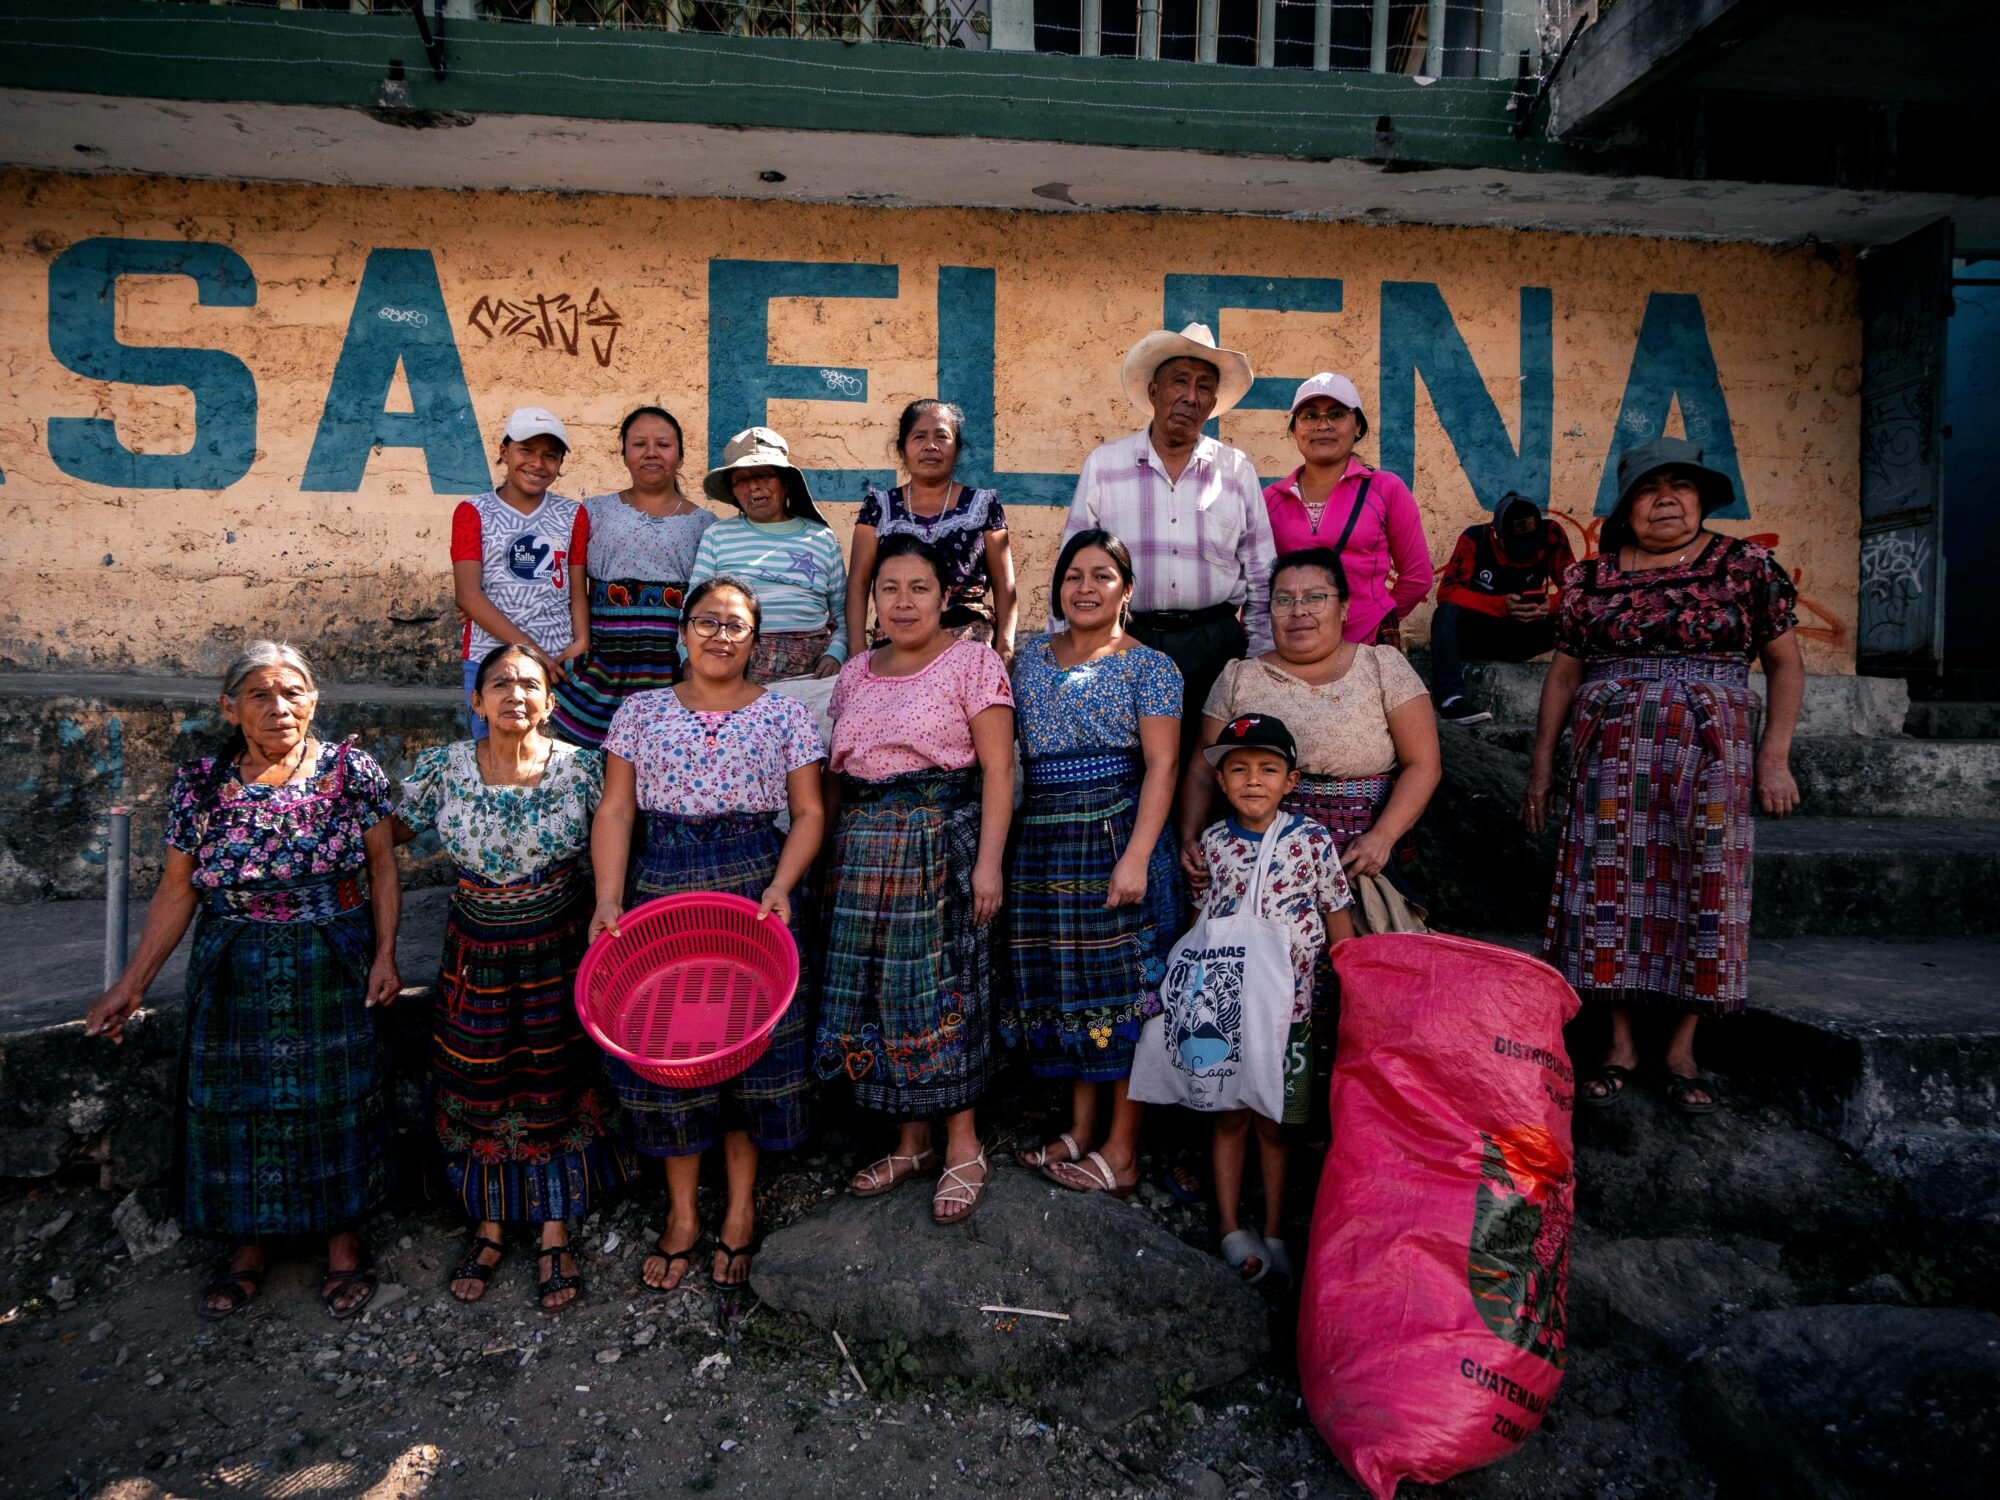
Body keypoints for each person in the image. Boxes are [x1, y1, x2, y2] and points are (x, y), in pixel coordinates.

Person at [84, 643, 399, 1321]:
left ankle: (343, 1242)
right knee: (237, 1104)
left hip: (332, 953)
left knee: (337, 1097)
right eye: (259, 694)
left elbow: (382, 869)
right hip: (234, 962)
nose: (279, 707)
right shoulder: (199, 784)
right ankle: (247, 1246)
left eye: (293, 692)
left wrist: (386, 954)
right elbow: (177, 888)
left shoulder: (353, 772)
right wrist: (132, 983)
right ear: (229, 708)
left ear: (314, 700)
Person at [1522, 437, 1803, 1116]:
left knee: (1703, 882)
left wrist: (1774, 757)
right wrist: (1540, 767)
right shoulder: (1590, 578)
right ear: (1628, 507)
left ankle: (1682, 1047)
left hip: (1709, 758)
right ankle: (1619, 1044)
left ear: (1703, 497)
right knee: (1605, 889)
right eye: (1649, 489)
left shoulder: (1747, 567)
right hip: (1609, 759)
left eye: (1681, 485)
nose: (1667, 499)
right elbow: (1564, 675)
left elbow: (1785, 664)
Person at [589, 576, 827, 1290]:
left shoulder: (784, 716)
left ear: (756, 640)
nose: (720, 636)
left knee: (747, 1049)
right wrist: (607, 900)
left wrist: (782, 885)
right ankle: (684, 1212)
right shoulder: (639, 712)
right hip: (661, 884)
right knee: (670, 1047)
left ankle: (741, 1212)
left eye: (735, 626)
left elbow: (810, 813)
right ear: (683, 631)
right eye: (707, 622)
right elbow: (617, 812)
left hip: (754, 887)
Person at [394, 644, 627, 1313]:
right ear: (477, 700)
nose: (515, 695)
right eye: (499, 683)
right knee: (478, 1074)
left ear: (551, 702)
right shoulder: (443, 770)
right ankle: (490, 1223)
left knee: (558, 1074)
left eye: (530, 684)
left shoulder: (584, 770)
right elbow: (383, 837)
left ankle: (555, 1226)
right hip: (475, 949)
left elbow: (617, 840)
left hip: (559, 944)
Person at [816, 536, 1015, 1225]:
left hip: (940, 845)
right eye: (889, 588)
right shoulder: (855, 674)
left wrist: (988, 862)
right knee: (884, 998)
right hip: (863, 855)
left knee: (942, 991)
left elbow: (998, 769)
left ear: (943, 597)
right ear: (873, 600)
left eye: (918, 588)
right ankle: (911, 1142)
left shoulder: (973, 661)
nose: (903, 602)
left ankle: (963, 1145)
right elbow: (837, 780)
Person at [1003, 529, 1184, 1198]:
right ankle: (1080, 1129)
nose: (1085, 587)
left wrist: (1136, 856)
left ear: (1126, 589)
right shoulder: (1027, 660)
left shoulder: (1150, 666)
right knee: (1069, 986)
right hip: (1045, 838)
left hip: (1114, 834)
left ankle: (1123, 1148)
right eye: (1073, 574)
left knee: (1123, 990)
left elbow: (1163, 766)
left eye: (1102, 575)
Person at [1182, 714, 1354, 1288]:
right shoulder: (1214, 843)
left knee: (1277, 1125)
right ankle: (1232, 1228)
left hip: (1293, 1014)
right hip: (1227, 1013)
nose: (1252, 780)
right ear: (1222, 780)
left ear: (1291, 779)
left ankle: (1277, 1230)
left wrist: (1356, 986)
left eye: (1267, 768)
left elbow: (1337, 917)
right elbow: (1203, 924)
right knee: (1230, 1117)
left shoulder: (1311, 841)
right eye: (1238, 769)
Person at [1181, 547, 1440, 921]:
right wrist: (1190, 837)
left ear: (1344, 607)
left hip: (1356, 859)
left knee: (1350, 967)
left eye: (1315, 598)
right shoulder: (1239, 677)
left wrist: (1382, 839)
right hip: (1255, 864)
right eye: (1283, 600)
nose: (1298, 611)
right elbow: (1202, 768)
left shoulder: (1382, 666)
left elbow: (1423, 764)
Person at [1061, 322, 1276, 764]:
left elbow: (1261, 573)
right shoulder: (1105, 465)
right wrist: (1064, 652)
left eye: (1204, 387)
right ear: (1154, 390)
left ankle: (1200, 838)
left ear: (1214, 404)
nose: (1191, 396)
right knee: (1132, 766)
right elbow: (1073, 566)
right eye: (1180, 381)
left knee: (1214, 765)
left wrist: (1257, 661)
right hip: (1127, 640)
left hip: (1215, 644)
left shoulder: (1236, 470)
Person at [549, 405, 715, 747]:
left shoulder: (705, 524)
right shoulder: (594, 511)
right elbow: (566, 577)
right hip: (603, 660)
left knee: (665, 750)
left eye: (664, 444)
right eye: (639, 444)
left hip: (667, 663)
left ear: (681, 456)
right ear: (624, 454)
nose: (651, 453)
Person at [1262, 374, 1432, 649]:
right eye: (1309, 416)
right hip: (1294, 647)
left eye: (1337, 414)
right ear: (1294, 430)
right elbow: (1260, 584)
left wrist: (1376, 620)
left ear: (1357, 427)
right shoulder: (1270, 500)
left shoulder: (1386, 489)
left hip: (1367, 645)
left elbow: (1418, 578)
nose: (1323, 425)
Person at [451, 406, 591, 738]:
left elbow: (576, 589)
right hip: (491, 658)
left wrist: (582, 639)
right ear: (504, 451)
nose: (537, 463)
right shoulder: (473, 512)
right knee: (494, 752)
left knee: (552, 760)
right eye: (526, 450)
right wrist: (533, 656)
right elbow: (468, 596)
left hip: (558, 664)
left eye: (550, 456)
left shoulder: (573, 514)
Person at [847, 398, 1017, 661]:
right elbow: (858, 583)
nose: (931, 446)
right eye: (919, 437)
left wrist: (1005, 649)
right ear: (902, 449)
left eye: (942, 436)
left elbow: (1005, 585)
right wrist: (857, 651)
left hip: (967, 645)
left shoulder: (984, 505)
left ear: (957, 449)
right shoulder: (878, 507)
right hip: (896, 643)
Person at [688, 426, 847, 684]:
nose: (754, 487)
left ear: (785, 482)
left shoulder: (821, 539)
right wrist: (688, 658)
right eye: (741, 480)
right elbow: (692, 607)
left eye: (764, 475)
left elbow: (842, 612)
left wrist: (836, 654)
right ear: (733, 491)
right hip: (734, 668)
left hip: (811, 672)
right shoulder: (718, 536)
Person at [1430, 491, 1576, 725]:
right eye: (1518, 546)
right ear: (1497, 536)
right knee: (1446, 613)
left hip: (1525, 633)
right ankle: (1451, 699)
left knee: (1578, 616)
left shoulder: (1552, 535)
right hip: (1480, 636)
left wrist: (1550, 606)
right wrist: (1501, 605)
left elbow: (1576, 591)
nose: (1526, 553)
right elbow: (1447, 593)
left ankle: (1581, 698)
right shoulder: (1474, 540)